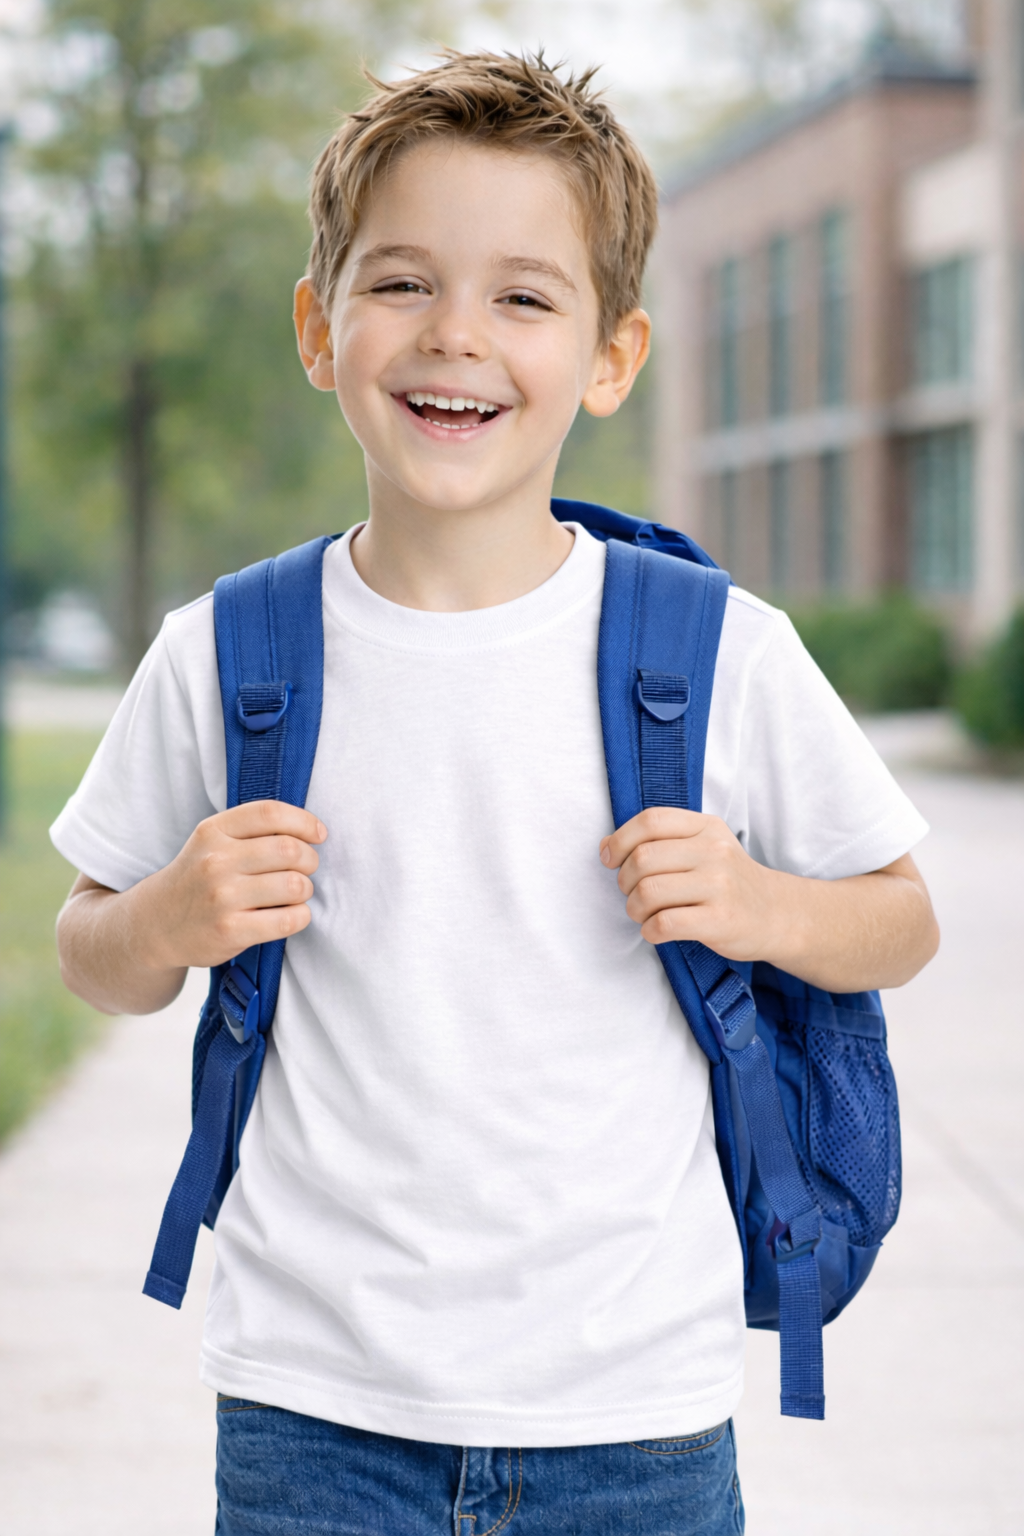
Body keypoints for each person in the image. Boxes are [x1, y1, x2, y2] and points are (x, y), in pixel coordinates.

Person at [52, 51, 939, 1536]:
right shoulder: (225, 652)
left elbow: (900, 922)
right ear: (317, 330)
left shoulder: (717, 652)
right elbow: (92, 952)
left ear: (612, 356)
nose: (455, 334)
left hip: (637, 1411)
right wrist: (165, 915)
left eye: (525, 297)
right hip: (311, 1409)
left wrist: (764, 903)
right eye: (400, 283)